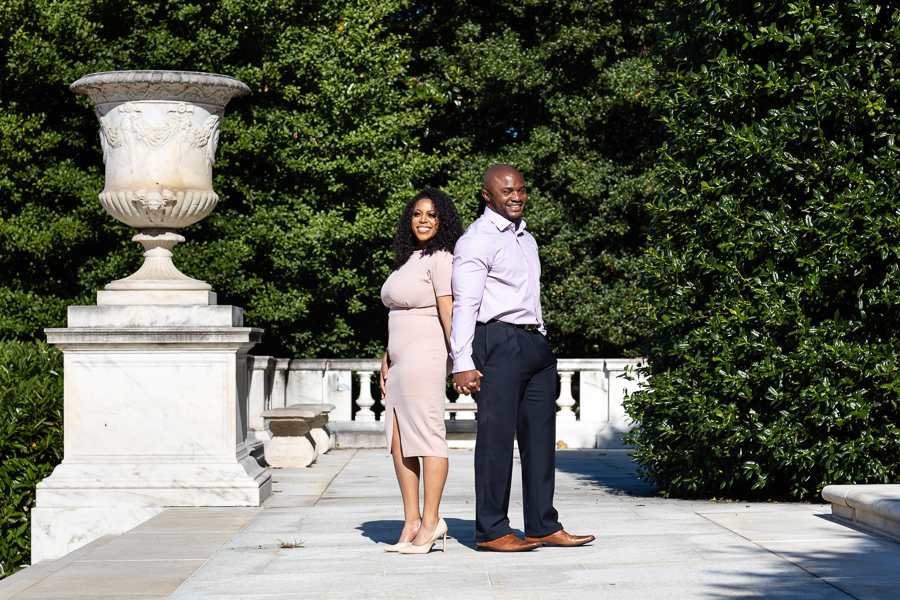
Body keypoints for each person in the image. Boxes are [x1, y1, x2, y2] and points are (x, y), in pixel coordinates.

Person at [450, 165, 595, 552]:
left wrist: (541, 335)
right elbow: (465, 303)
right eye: (506, 191)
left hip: (534, 344)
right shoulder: (476, 240)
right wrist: (461, 360)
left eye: (521, 190)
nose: (516, 197)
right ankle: (492, 530)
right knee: (496, 439)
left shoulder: (525, 238)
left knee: (540, 440)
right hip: (497, 340)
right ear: (487, 196)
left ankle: (542, 525)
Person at [378, 187, 464, 554]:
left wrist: (461, 359)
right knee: (398, 440)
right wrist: (387, 354)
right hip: (400, 359)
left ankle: (432, 522)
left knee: (427, 436)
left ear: (442, 219)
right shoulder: (409, 258)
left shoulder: (442, 258)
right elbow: (399, 313)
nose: (423, 219)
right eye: (417, 213)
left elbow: (449, 311)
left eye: (431, 214)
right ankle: (411, 520)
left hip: (426, 356)